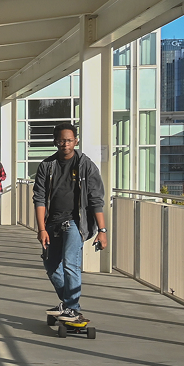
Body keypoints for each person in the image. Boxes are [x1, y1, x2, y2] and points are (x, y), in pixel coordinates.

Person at [32, 122, 108, 324]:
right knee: (51, 265)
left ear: (76, 140)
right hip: (52, 223)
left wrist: (102, 230)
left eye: (68, 140)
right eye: (60, 140)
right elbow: (39, 198)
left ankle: (72, 308)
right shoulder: (47, 166)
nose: (64, 144)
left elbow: (96, 200)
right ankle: (68, 303)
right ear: (55, 142)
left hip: (76, 222)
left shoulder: (86, 166)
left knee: (70, 263)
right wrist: (41, 229)